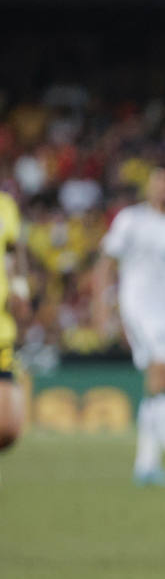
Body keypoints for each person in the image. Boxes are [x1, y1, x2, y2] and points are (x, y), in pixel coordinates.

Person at [94, 167, 165, 485]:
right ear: (149, 187)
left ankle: (145, 464)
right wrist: (102, 308)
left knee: (160, 384)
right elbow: (106, 263)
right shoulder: (131, 220)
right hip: (141, 309)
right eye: (160, 183)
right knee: (162, 373)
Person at [0, 189, 30, 452]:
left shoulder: (5, 205)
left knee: (7, 428)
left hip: (1, 329)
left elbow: (13, 250)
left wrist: (19, 288)